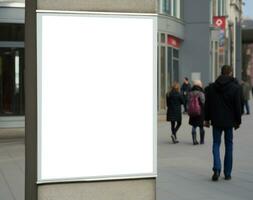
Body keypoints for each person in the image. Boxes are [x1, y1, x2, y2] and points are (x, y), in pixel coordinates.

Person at [204, 65, 241, 181]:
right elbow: (237, 106)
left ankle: (216, 168)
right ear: (230, 73)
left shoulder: (212, 87)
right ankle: (227, 173)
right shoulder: (235, 88)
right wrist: (237, 121)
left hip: (216, 121)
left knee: (216, 144)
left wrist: (207, 119)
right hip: (229, 122)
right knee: (229, 146)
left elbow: (208, 105)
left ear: (221, 73)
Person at [188, 80, 205, 145]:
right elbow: (203, 101)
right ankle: (202, 140)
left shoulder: (190, 92)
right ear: (199, 85)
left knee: (194, 126)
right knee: (201, 126)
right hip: (200, 111)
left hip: (192, 111)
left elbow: (188, 101)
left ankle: (194, 140)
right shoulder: (201, 92)